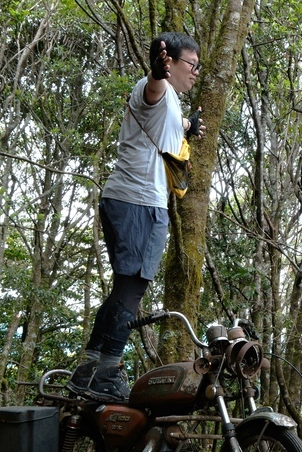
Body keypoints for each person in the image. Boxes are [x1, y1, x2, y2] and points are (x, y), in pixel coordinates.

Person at [68, 32, 204, 402]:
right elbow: (152, 91)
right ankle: (107, 372)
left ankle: (89, 368)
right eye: (190, 65)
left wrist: (189, 126)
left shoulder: (172, 103)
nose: (195, 72)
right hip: (139, 204)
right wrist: (155, 72)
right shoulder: (154, 88)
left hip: (130, 200)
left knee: (124, 289)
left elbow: (165, 122)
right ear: (170, 62)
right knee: (132, 289)